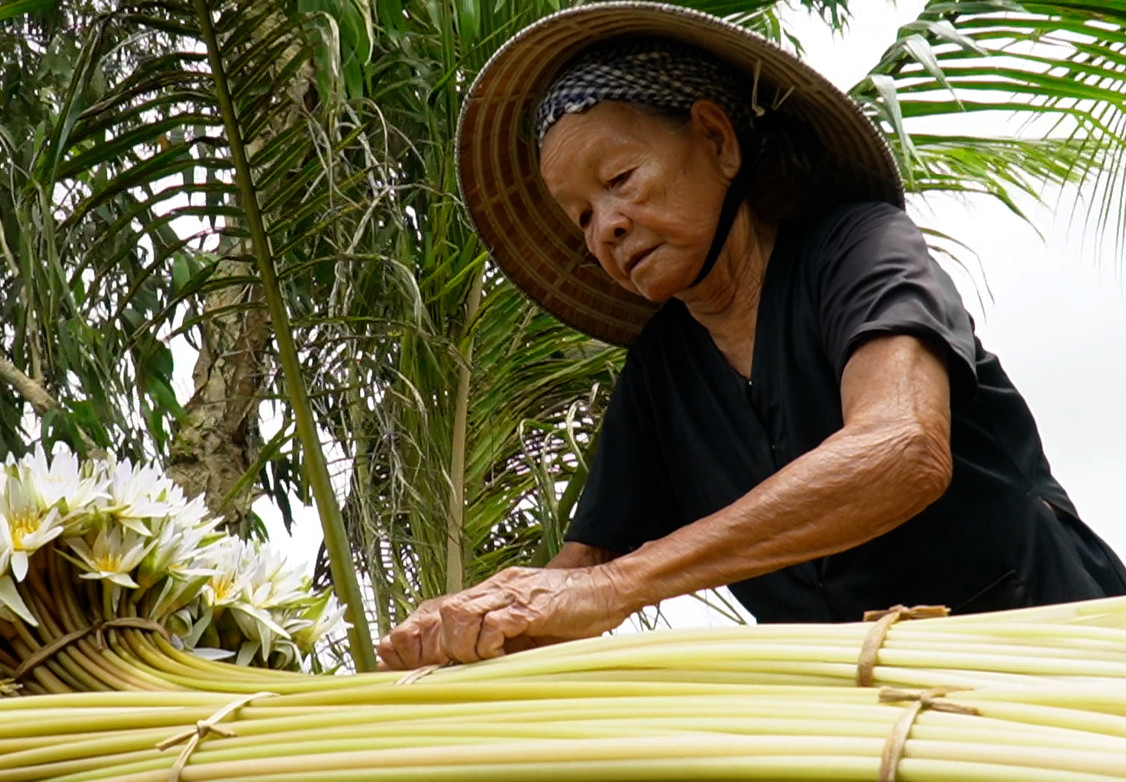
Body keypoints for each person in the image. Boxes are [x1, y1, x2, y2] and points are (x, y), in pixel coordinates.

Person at [377, 2, 1126, 671]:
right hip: (866, 716)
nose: (605, 227)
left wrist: (619, 585)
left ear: (717, 139)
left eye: (621, 179)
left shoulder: (857, 250)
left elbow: (903, 451)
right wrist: (477, 623)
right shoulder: (662, 369)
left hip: (1050, 662)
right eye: (580, 216)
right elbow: (582, 572)